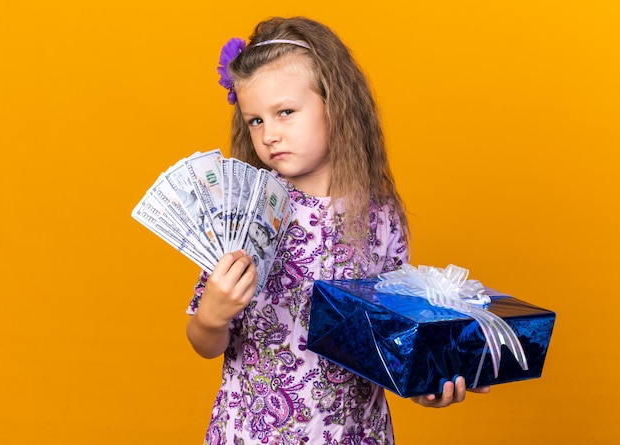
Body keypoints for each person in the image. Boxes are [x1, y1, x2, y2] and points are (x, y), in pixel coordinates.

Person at [185, 16, 489, 444]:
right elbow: (205, 342)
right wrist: (212, 316)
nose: (270, 134)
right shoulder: (245, 214)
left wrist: (423, 380)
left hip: (357, 433)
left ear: (335, 104)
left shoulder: (380, 216)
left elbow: (387, 339)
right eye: (255, 121)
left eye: (285, 112)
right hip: (253, 433)